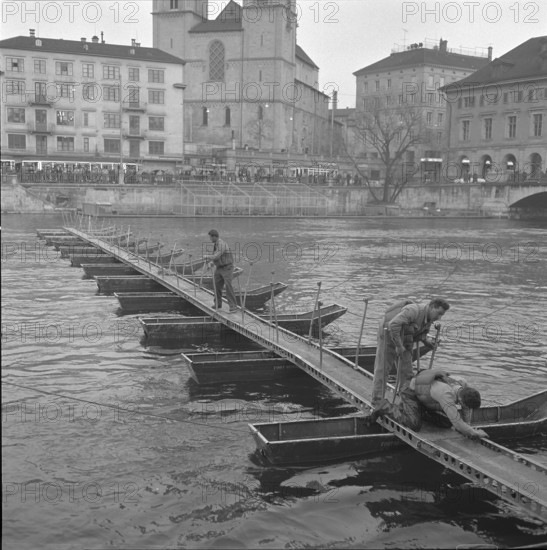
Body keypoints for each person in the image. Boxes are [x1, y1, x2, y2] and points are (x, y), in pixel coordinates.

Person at [367, 368, 489, 440]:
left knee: (446, 422)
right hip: (410, 393)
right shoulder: (445, 394)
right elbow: (457, 423)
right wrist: (474, 432)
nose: (466, 409)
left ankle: (419, 412)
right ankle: (385, 406)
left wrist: (468, 427)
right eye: (465, 405)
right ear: (461, 400)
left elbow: (466, 411)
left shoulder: (463, 383)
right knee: (414, 425)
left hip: (427, 397)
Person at [371, 298, 450, 406]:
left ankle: (406, 401)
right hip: (388, 335)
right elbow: (393, 324)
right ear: (432, 307)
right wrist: (398, 346)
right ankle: (377, 400)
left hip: (405, 339)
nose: (439, 318)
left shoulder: (429, 318)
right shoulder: (413, 311)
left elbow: (420, 331)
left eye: (442, 315)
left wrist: (426, 342)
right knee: (383, 368)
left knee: (407, 372)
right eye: (439, 313)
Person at [204, 229, 238, 313]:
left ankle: (233, 306)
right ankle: (218, 304)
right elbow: (217, 258)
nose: (210, 239)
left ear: (214, 236)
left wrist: (207, 257)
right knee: (216, 285)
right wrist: (211, 263)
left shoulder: (222, 244)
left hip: (227, 268)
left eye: (210, 237)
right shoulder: (216, 244)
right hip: (219, 268)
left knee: (228, 286)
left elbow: (216, 255)